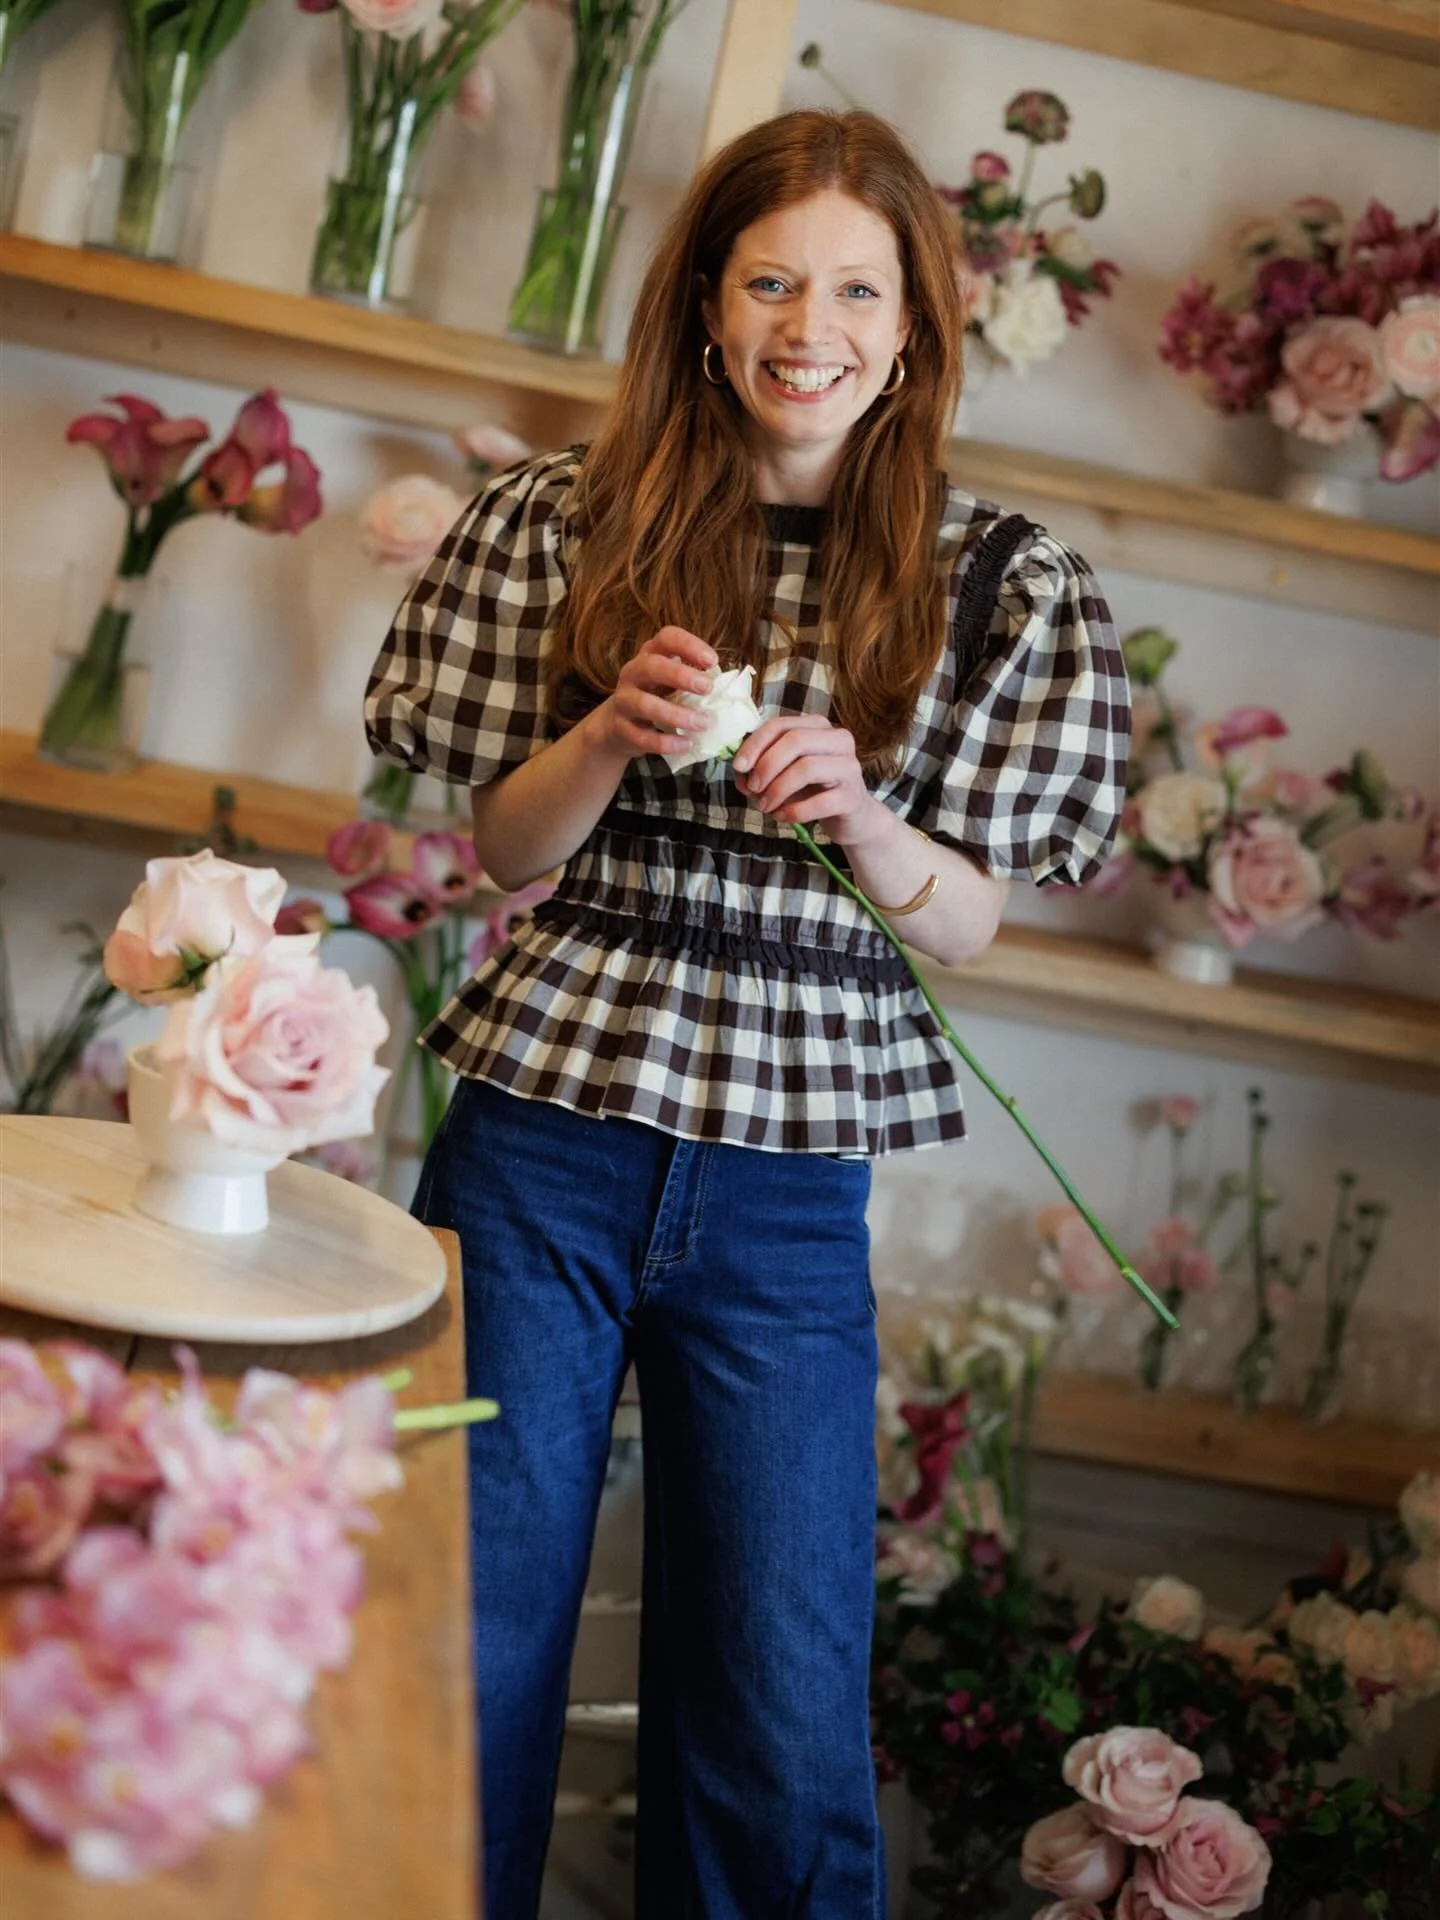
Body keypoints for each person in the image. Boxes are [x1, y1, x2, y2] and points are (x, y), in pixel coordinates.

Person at [364, 108, 1129, 1920]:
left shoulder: (996, 578)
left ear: (914, 326)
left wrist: (865, 811)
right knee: (467, 1642)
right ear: (707, 305)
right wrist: (608, 734)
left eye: (858, 287)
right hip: (539, 1153)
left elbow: (976, 924)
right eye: (771, 276)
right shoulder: (568, 520)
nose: (812, 322)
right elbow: (498, 847)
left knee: (777, 1697)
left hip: (789, 1193)